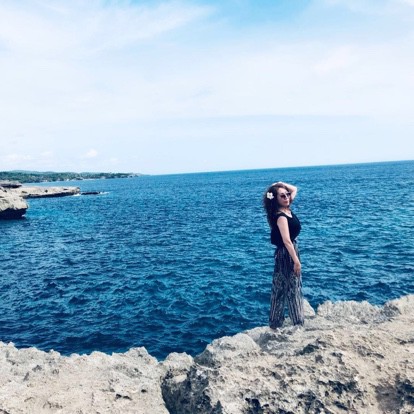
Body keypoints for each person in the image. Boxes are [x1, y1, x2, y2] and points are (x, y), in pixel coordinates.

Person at [263, 181, 304, 328]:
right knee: (291, 286)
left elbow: (295, 189)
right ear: (276, 199)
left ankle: (276, 323)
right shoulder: (281, 216)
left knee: (282, 286)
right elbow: (286, 241)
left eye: (287, 194)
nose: (287, 197)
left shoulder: (286, 209)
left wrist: (280, 183)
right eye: (282, 195)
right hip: (286, 254)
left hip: (289, 251)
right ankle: (296, 322)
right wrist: (296, 261)